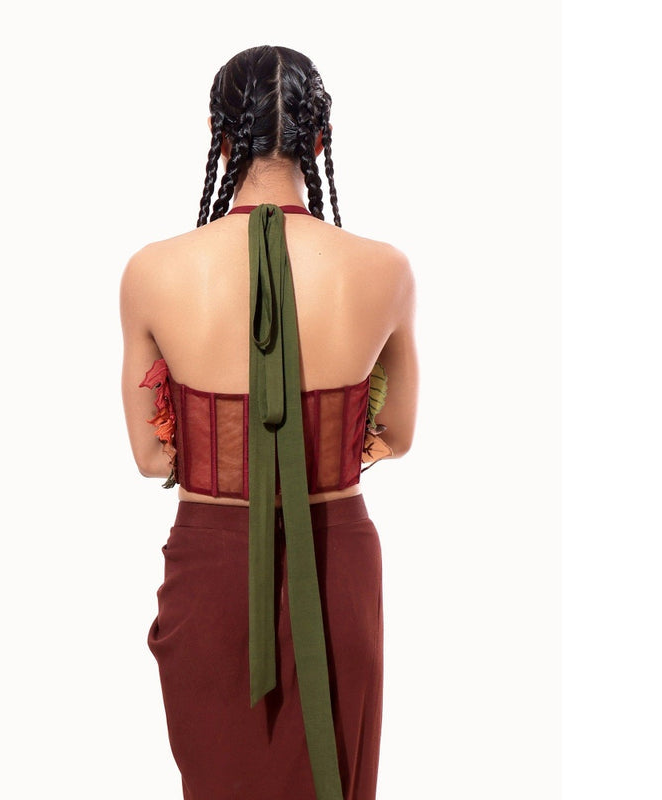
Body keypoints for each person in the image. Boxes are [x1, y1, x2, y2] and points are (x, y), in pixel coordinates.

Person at [120, 44, 418, 800]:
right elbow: (400, 433)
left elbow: (151, 458)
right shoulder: (384, 268)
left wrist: (232, 448)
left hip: (211, 566)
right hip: (337, 555)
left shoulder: (153, 271)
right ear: (320, 138)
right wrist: (314, 446)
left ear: (219, 137)